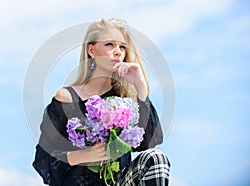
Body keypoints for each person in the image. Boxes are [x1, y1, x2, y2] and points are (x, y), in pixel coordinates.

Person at [32, 18, 170, 186]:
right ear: (91, 50)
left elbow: (149, 142)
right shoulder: (67, 98)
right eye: (109, 44)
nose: (118, 51)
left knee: (156, 158)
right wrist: (84, 156)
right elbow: (43, 160)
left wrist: (140, 87)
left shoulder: (126, 99)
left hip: (118, 182)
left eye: (122, 47)